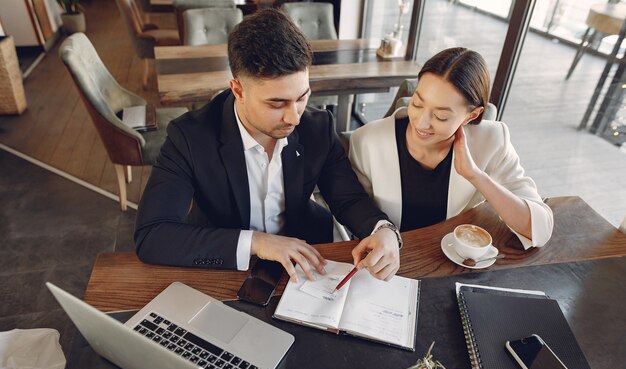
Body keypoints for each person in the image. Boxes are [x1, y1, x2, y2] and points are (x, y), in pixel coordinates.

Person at [134, 9, 402, 282]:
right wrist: (257, 243)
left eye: (302, 97)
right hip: (225, 263)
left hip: (306, 257)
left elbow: (349, 198)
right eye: (277, 103)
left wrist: (383, 229)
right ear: (238, 90)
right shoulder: (190, 137)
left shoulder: (317, 127)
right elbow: (152, 235)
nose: (294, 116)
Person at [349, 47, 553, 248]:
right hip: (391, 262)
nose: (421, 123)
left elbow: (540, 228)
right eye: (417, 104)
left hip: (455, 262)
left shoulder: (492, 141)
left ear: (471, 115)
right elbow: (356, 212)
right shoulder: (367, 141)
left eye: (441, 116)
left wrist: (475, 175)